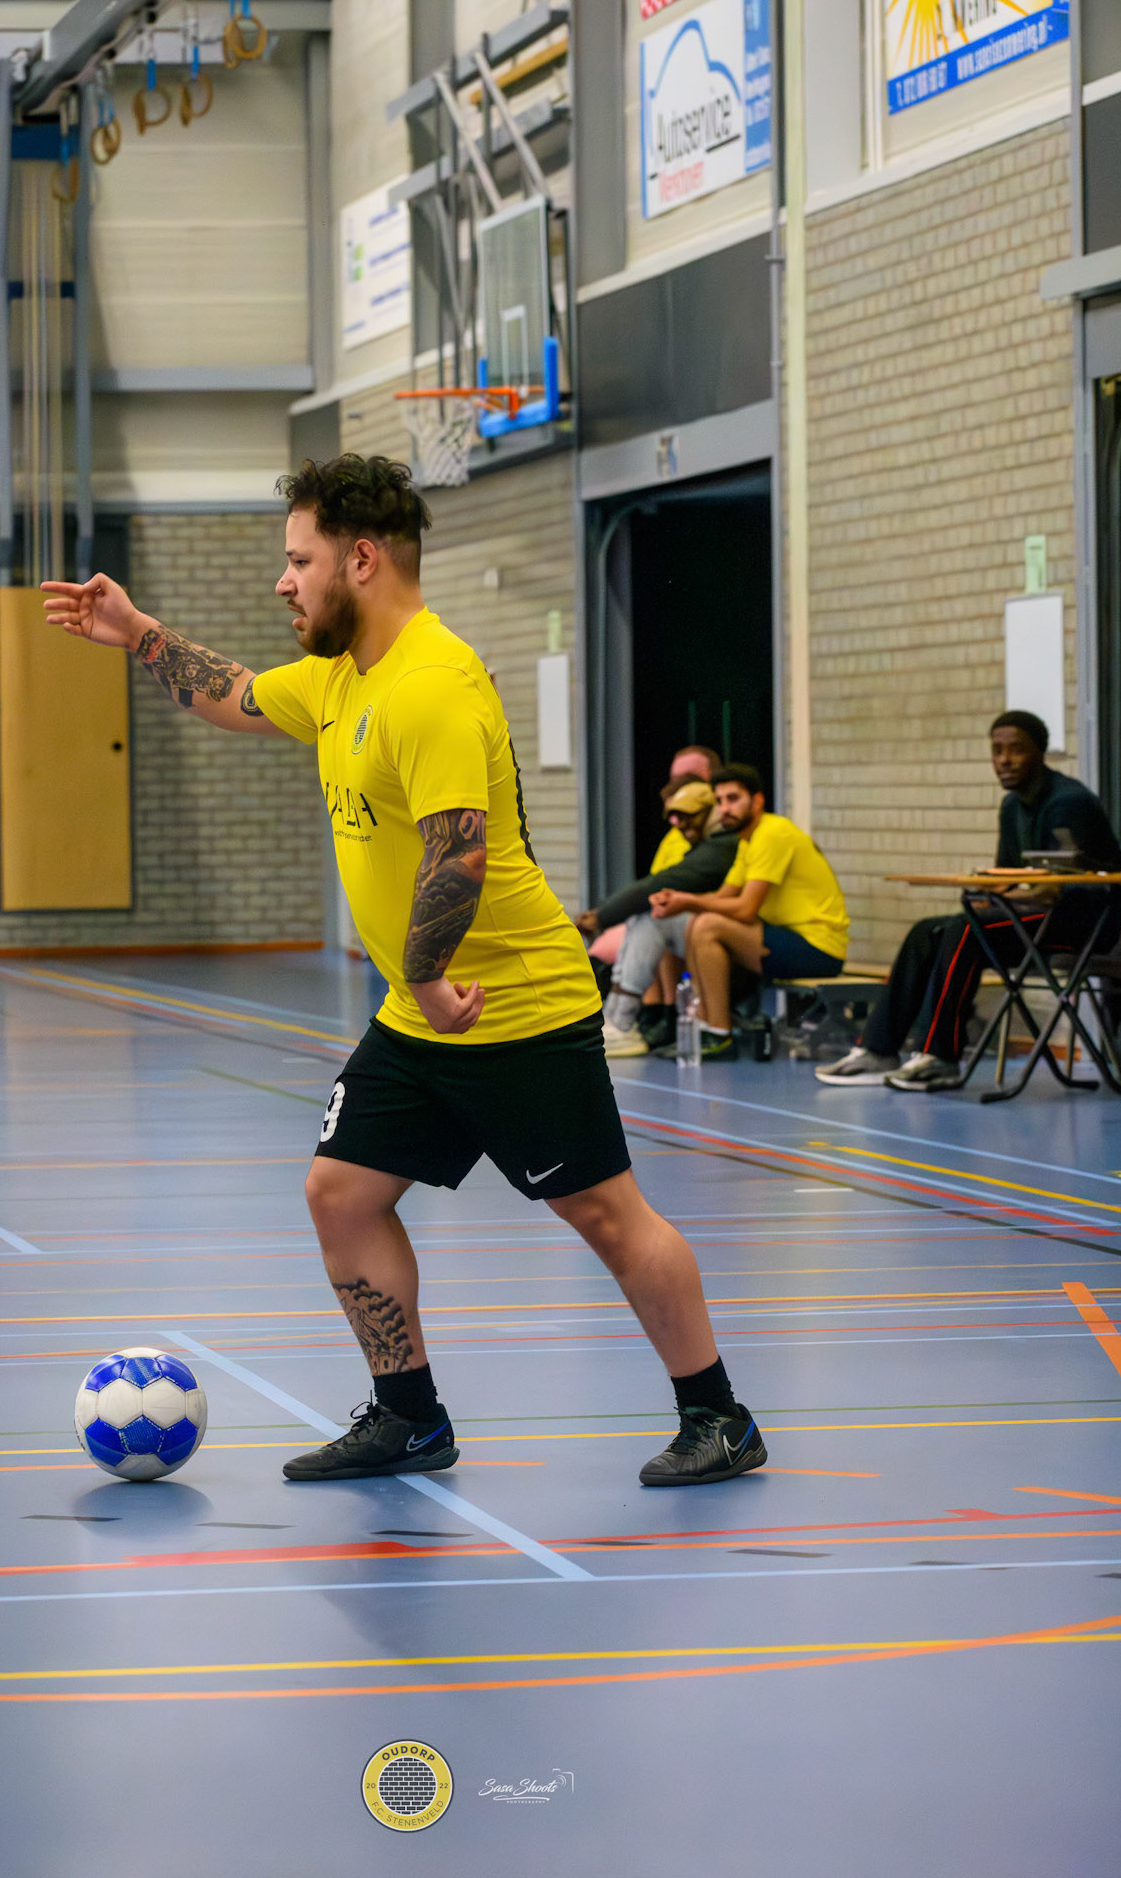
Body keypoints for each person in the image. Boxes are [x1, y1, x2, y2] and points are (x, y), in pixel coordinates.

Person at [41, 453, 766, 1489]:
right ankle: (409, 1417)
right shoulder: (342, 677)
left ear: (362, 559)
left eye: (299, 560)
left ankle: (718, 1416)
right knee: (340, 1192)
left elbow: (456, 853)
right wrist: (138, 630)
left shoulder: (431, 686)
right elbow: (236, 694)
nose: (283, 581)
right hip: (422, 1011)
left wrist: (424, 975)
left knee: (606, 1215)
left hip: (515, 1007)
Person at [817, 711, 1121, 1091]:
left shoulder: (1069, 802)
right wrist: (989, 894)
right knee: (927, 932)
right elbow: (1005, 878)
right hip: (1034, 920)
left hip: (1085, 923)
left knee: (966, 929)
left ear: (1040, 753)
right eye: (997, 751)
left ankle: (941, 1056)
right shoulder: (1011, 807)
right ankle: (878, 1050)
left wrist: (1002, 897)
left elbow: (1054, 889)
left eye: (1015, 750)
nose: (1004, 760)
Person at [649, 765, 849, 1062]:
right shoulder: (747, 841)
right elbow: (721, 897)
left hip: (818, 947)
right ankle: (704, 1028)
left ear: (757, 801)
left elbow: (745, 909)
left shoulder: (773, 833)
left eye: (733, 799)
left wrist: (688, 900)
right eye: (719, 801)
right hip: (785, 938)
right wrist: (678, 899)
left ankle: (719, 1034)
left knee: (708, 926)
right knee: (697, 922)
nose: (724, 809)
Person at [583, 782, 740, 1056]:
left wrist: (602, 916)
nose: (681, 824)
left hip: (737, 936)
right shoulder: (704, 845)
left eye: (689, 815)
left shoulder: (724, 844)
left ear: (711, 812)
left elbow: (662, 883)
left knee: (654, 918)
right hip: (715, 930)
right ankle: (617, 1017)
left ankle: (623, 1022)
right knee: (649, 915)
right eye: (676, 817)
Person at [586, 746, 724, 978]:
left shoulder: (722, 838)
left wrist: (604, 916)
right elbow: (656, 885)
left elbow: (666, 884)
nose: (680, 787)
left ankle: (640, 999)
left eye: (690, 779)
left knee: (655, 923)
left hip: (708, 927)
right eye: (676, 779)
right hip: (676, 924)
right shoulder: (675, 835)